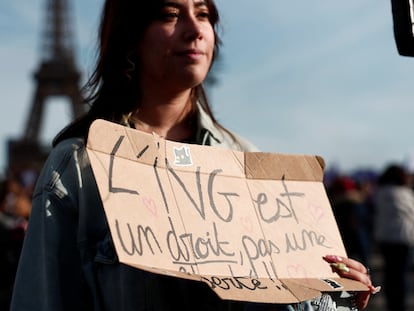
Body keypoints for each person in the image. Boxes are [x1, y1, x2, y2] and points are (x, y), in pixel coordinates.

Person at [10, 1, 377, 310]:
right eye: (170, 14)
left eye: (203, 14)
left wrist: (336, 296)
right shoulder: (77, 167)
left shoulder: (249, 160)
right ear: (130, 34)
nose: (195, 29)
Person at [373, 164, 414, 311]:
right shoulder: (404, 193)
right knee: (401, 273)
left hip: (385, 238)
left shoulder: (380, 192)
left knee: (390, 272)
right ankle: (400, 303)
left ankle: (391, 302)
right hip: (402, 237)